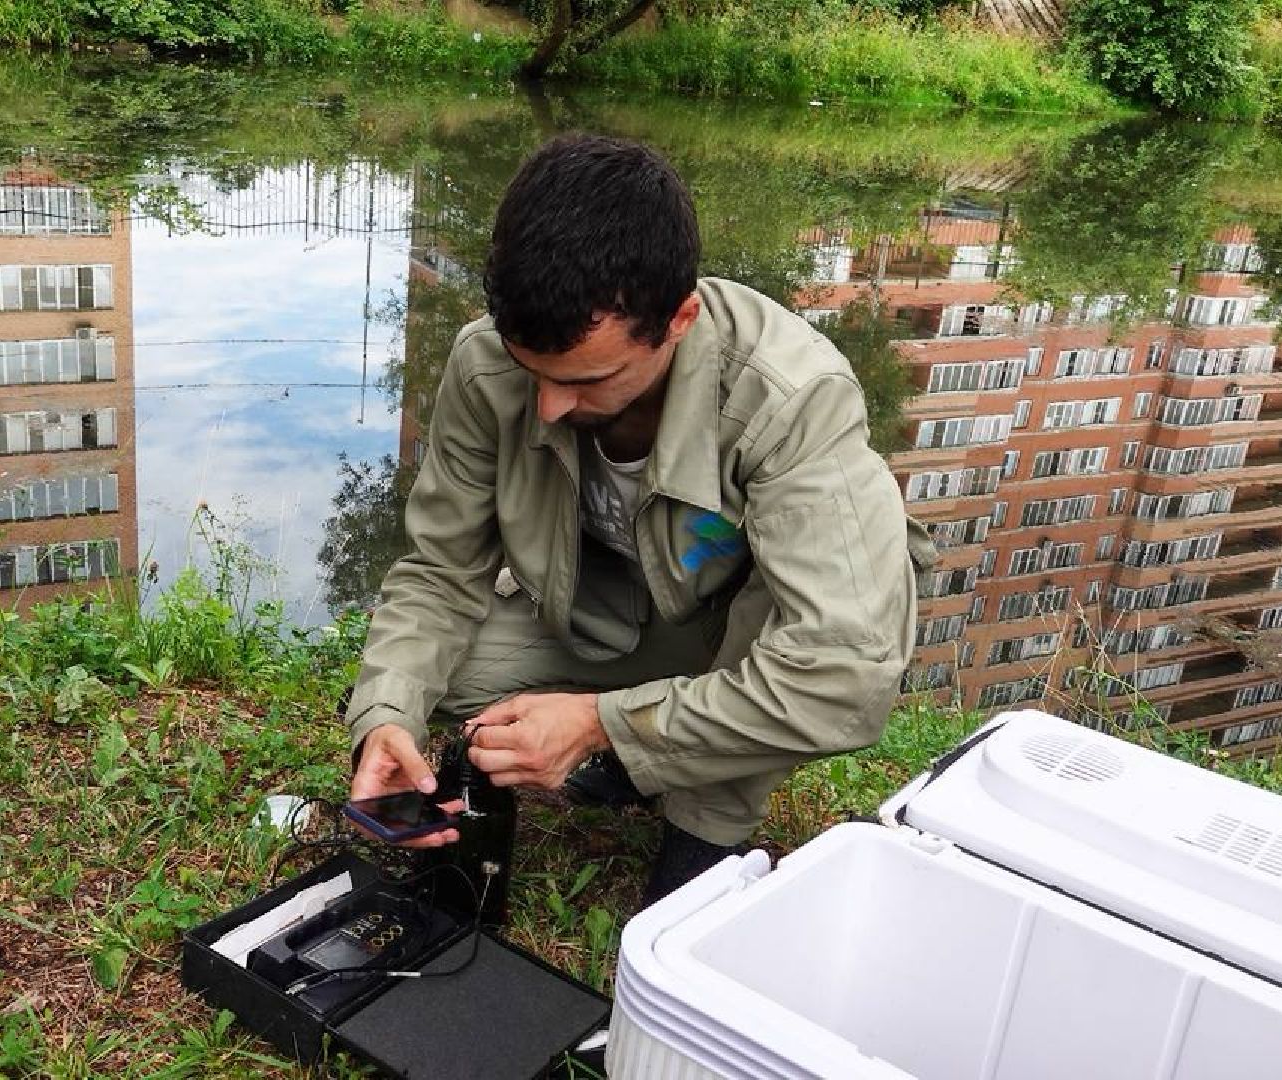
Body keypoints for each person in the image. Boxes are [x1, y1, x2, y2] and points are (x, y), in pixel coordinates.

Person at [345, 133, 936, 908]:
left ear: (680, 319)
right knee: (444, 680)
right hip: (604, 616)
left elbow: (843, 678)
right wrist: (385, 716)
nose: (551, 407)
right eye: (535, 374)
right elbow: (438, 571)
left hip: (733, 634)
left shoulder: (792, 396)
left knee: (784, 651)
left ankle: (700, 831)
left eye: (587, 379)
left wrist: (603, 725)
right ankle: (630, 756)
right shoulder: (483, 365)